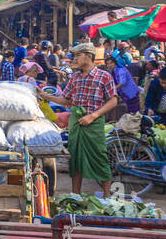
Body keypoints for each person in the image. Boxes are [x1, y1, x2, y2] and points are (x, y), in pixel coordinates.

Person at [43, 44, 117, 195]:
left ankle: (107, 195)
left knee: (99, 156)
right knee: (75, 159)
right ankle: (75, 195)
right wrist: (46, 97)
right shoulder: (75, 77)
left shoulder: (104, 76)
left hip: (94, 123)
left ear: (89, 56)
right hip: (76, 123)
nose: (74, 59)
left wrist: (93, 116)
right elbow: (67, 100)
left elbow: (113, 101)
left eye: (78, 56)